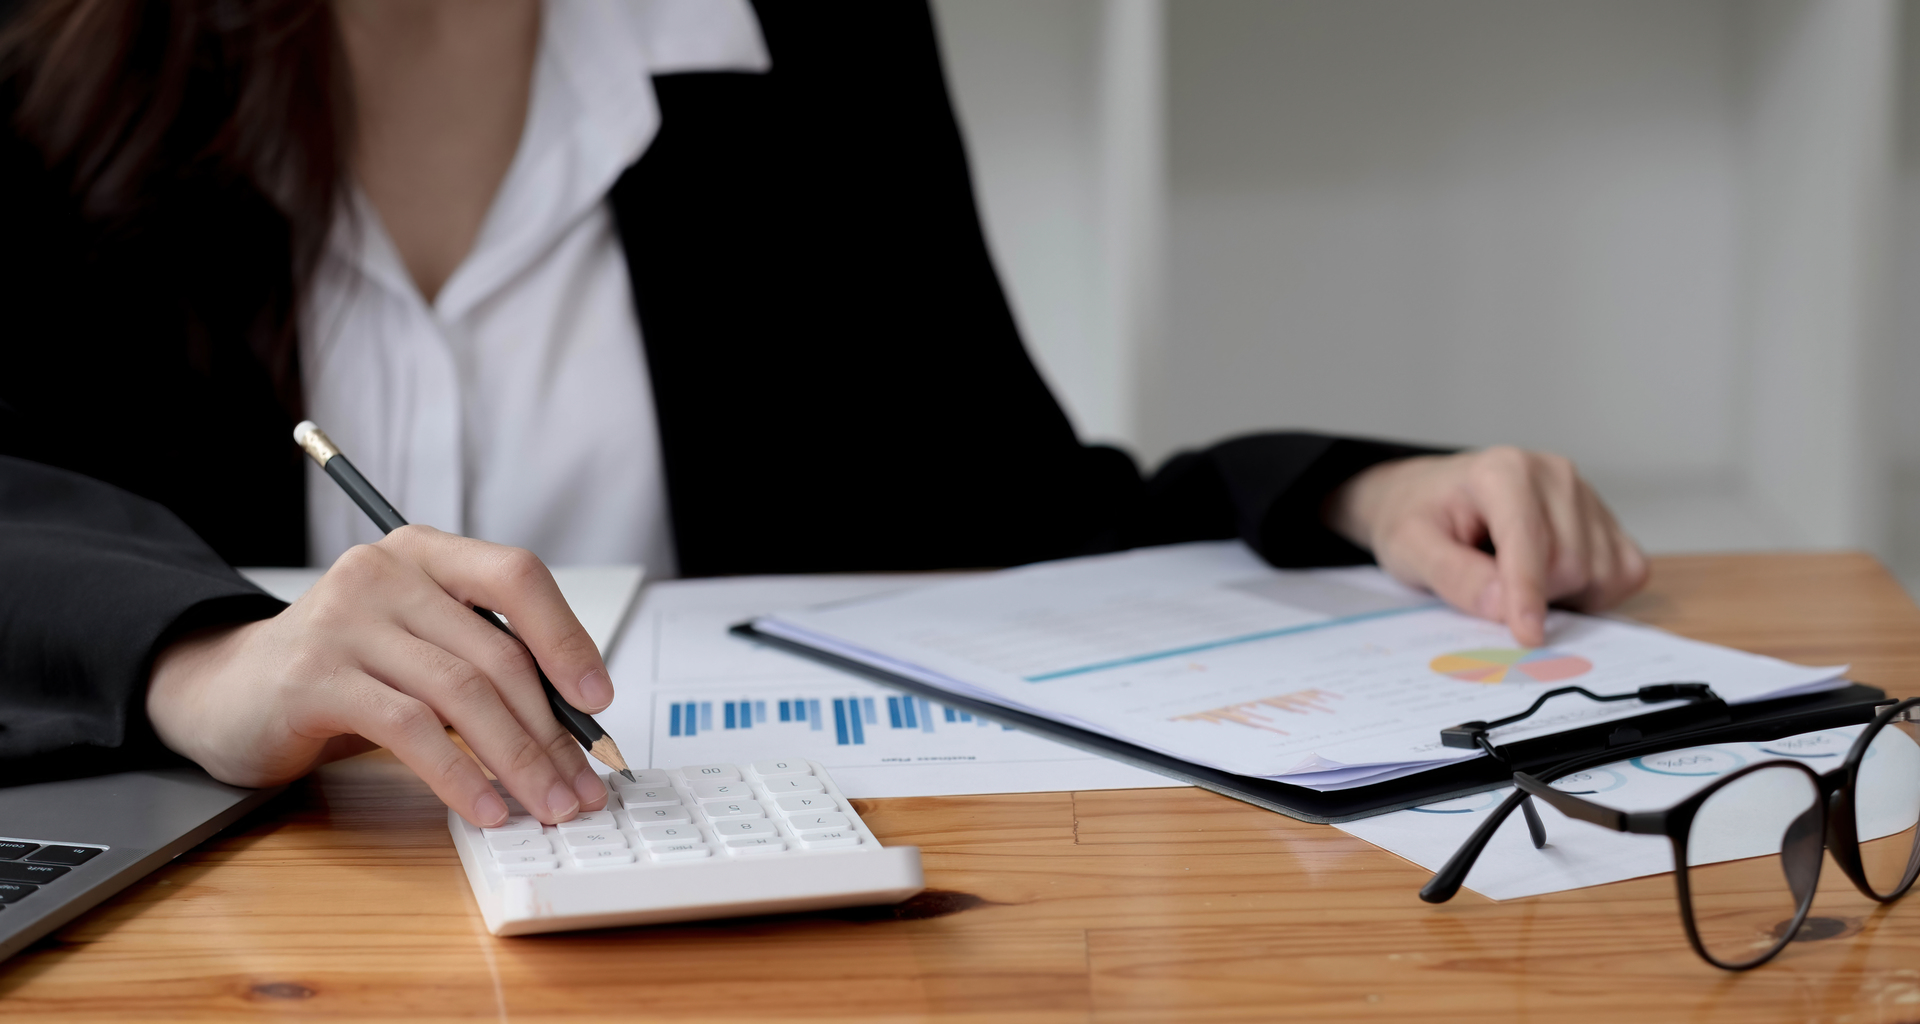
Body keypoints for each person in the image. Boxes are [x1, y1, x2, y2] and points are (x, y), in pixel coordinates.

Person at [0, 0, 1646, 829]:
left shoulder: (807, 36)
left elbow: (999, 514)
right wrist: (212, 659)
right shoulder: (45, 64)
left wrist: (1357, 498)